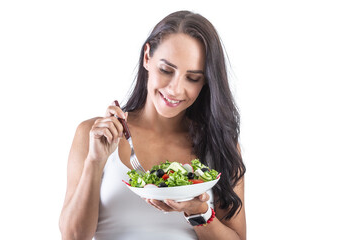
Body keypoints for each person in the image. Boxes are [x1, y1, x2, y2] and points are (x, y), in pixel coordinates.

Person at [59, 10, 246, 240]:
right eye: (166, 70)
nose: (175, 89)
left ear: (206, 81)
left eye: (193, 78)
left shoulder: (219, 144)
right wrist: (95, 161)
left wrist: (199, 212)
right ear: (147, 57)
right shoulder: (92, 134)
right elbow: (73, 236)